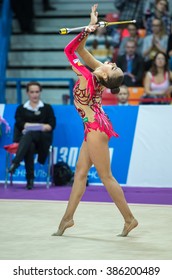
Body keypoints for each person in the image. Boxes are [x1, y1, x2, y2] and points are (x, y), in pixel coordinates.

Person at [52, 4, 138, 237]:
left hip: (95, 129)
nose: (111, 62)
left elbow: (70, 51)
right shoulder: (99, 72)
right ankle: (67, 219)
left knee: (105, 176)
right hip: (92, 126)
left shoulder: (89, 76)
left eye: (113, 66)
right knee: (80, 173)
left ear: (106, 75)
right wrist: (90, 24)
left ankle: (129, 219)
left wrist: (86, 32)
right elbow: (82, 50)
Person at [8, 82, 56, 189]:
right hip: (26, 142)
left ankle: (16, 163)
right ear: (27, 93)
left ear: (40, 92)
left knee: (29, 134)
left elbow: (51, 125)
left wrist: (37, 126)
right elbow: (19, 123)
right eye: (32, 92)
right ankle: (30, 180)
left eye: (37, 92)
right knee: (30, 145)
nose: (35, 94)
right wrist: (38, 126)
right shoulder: (21, 109)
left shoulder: (47, 108)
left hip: (42, 140)